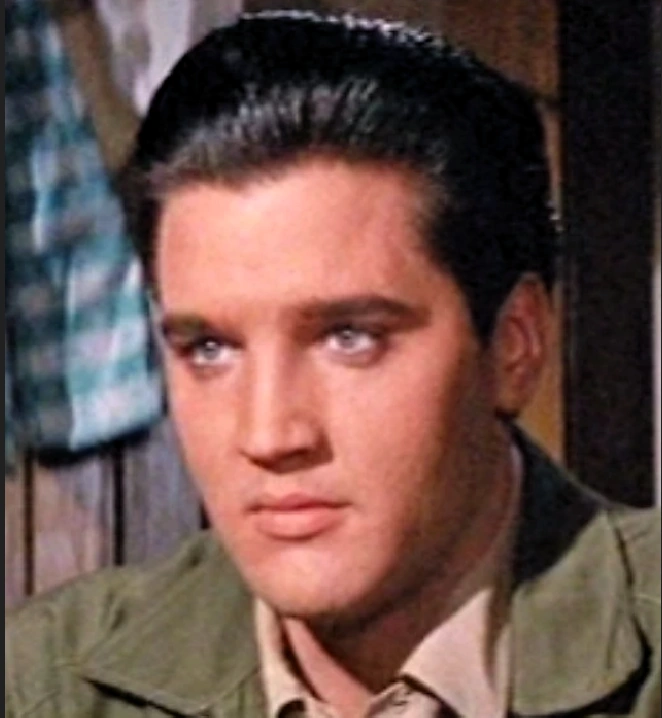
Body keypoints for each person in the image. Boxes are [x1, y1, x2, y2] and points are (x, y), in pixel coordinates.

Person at [5, 11, 660, 718]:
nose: (269, 436)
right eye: (209, 349)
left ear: (513, 346)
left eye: (350, 338)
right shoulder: (44, 684)